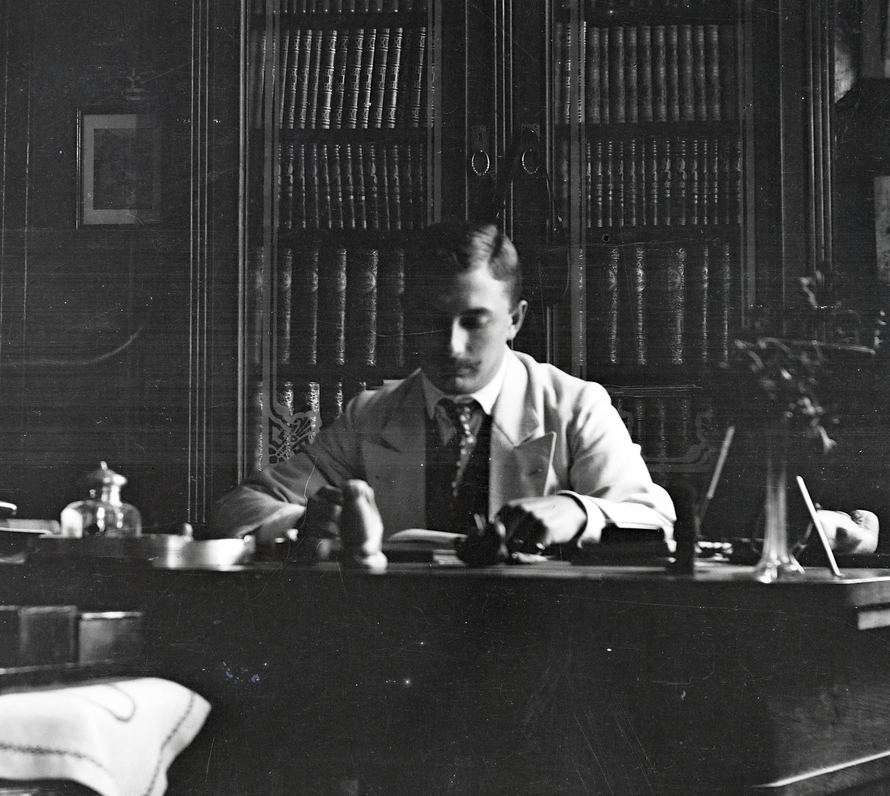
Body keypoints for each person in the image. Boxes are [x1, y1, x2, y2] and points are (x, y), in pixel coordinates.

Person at [209, 220, 674, 554]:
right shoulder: (370, 415)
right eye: (432, 321)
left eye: (474, 322)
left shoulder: (575, 405)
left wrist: (579, 512)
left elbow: (656, 519)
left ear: (515, 320)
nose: (451, 346)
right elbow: (241, 506)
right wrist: (304, 522)